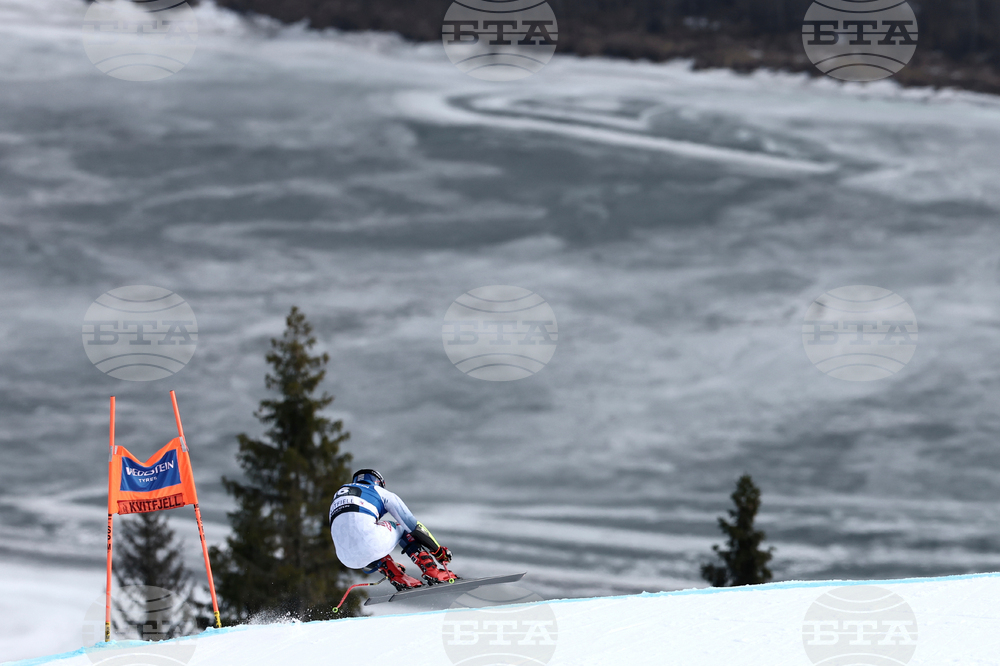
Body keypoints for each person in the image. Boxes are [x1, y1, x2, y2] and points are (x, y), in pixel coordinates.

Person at [329, 468, 455, 590]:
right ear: (379, 482)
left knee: (367, 532)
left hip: (346, 558)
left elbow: (354, 540)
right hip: (368, 544)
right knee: (401, 526)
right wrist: (438, 550)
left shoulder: (338, 495)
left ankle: (395, 574)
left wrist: (382, 562)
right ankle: (432, 570)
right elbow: (413, 526)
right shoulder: (379, 491)